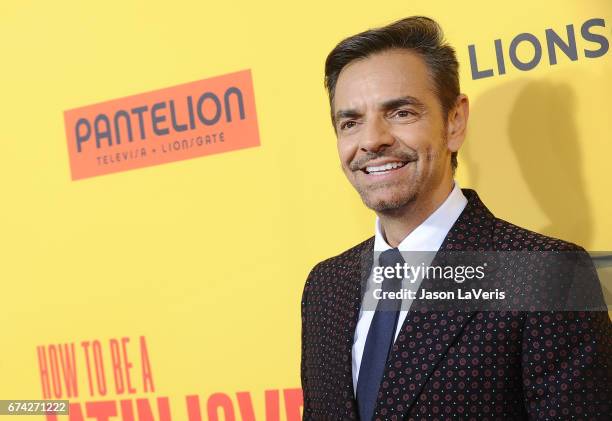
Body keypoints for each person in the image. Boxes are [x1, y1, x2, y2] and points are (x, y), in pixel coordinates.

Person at [300, 16, 612, 420]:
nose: (372, 139)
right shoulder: (327, 285)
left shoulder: (545, 274)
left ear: (454, 121)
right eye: (351, 122)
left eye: (400, 113)